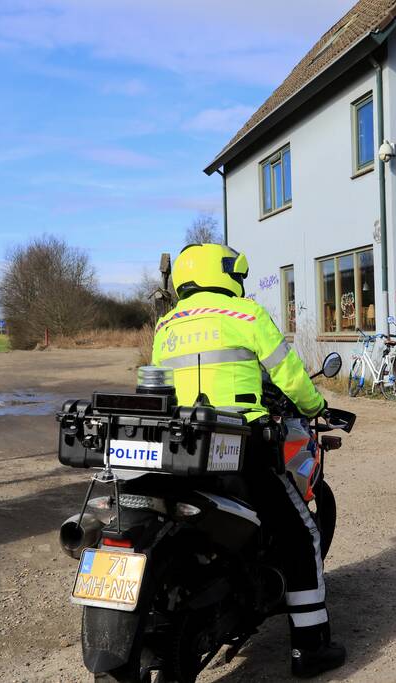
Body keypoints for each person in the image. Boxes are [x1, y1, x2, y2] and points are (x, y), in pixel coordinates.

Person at [151, 243, 346, 678]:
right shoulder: (245, 315)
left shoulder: (166, 325)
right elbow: (289, 373)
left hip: (180, 445)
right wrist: (315, 408)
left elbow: (157, 386)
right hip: (240, 445)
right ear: (225, 275)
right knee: (301, 535)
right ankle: (310, 649)